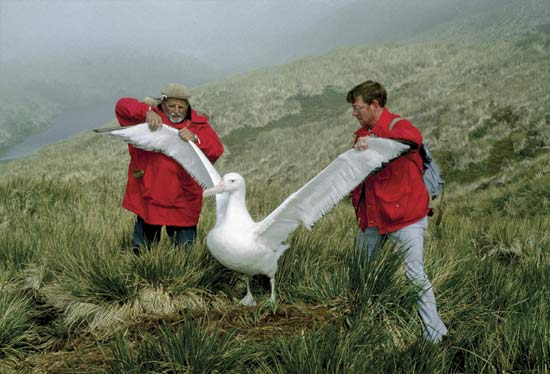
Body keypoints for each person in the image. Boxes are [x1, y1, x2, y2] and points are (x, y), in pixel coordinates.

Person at [347, 80, 448, 343]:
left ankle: (435, 336)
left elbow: (413, 139)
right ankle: (362, 326)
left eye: (358, 108)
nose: (354, 113)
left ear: (375, 105)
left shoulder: (397, 126)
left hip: (404, 219)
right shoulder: (362, 134)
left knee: (414, 275)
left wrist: (376, 141)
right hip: (372, 218)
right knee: (359, 271)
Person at [115, 83, 224, 253]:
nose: (176, 110)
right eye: (172, 106)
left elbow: (216, 149)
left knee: (184, 253)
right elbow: (122, 106)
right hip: (149, 193)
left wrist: (195, 139)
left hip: (183, 198)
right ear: (163, 103)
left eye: (181, 106)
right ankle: (142, 273)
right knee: (143, 250)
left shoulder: (198, 125)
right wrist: (146, 112)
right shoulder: (151, 116)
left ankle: (182, 276)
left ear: (188, 106)